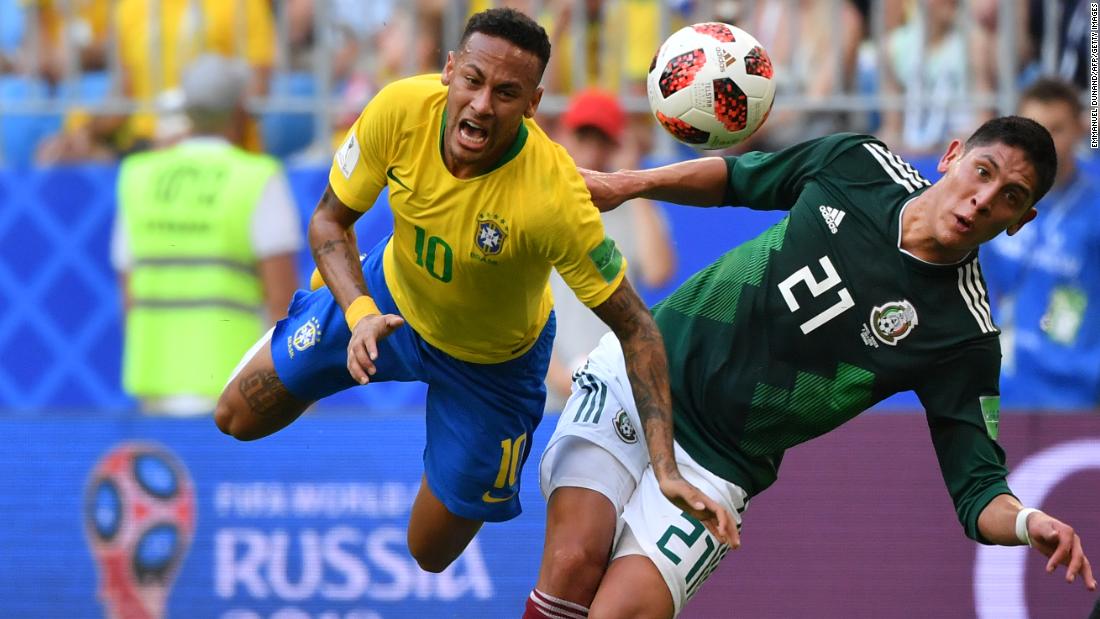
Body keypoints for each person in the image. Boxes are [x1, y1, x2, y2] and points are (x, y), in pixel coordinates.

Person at [214, 8, 730, 575]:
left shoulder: (554, 196)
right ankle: (313, 344)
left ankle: (442, 436)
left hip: (493, 367)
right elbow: (329, 222)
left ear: (533, 105)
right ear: (449, 69)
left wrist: (666, 469)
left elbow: (636, 326)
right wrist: (360, 311)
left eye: (507, 93)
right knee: (234, 418)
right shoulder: (398, 109)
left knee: (429, 553)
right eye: (474, 81)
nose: (483, 104)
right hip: (387, 302)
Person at [528, 116, 1096, 619]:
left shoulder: (963, 338)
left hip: (722, 464)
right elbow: (737, 179)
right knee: (574, 559)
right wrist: (627, 184)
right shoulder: (860, 165)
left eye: (1010, 197)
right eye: (982, 171)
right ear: (951, 156)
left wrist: (1027, 523)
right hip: (645, 374)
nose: (982, 200)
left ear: (1022, 220)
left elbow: (978, 492)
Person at [112, 54, 301, 416]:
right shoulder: (258, 177)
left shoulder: (138, 175)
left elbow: (129, 294)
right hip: (236, 384)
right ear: (240, 110)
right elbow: (282, 303)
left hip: (154, 379)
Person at [545, 88, 676, 410]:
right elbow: (518, 308)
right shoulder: (540, 204)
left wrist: (635, 183)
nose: (590, 152)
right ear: (563, 136)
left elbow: (659, 272)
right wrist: (559, 376)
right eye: (582, 137)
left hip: (614, 387)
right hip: (546, 388)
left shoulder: (635, 209)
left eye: (601, 141)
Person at [981, 77, 1099, 409]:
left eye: (1057, 129)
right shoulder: (995, 201)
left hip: (1073, 392)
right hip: (1000, 387)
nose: (1044, 143)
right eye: (1032, 130)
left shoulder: (1095, 209)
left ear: (1079, 128)